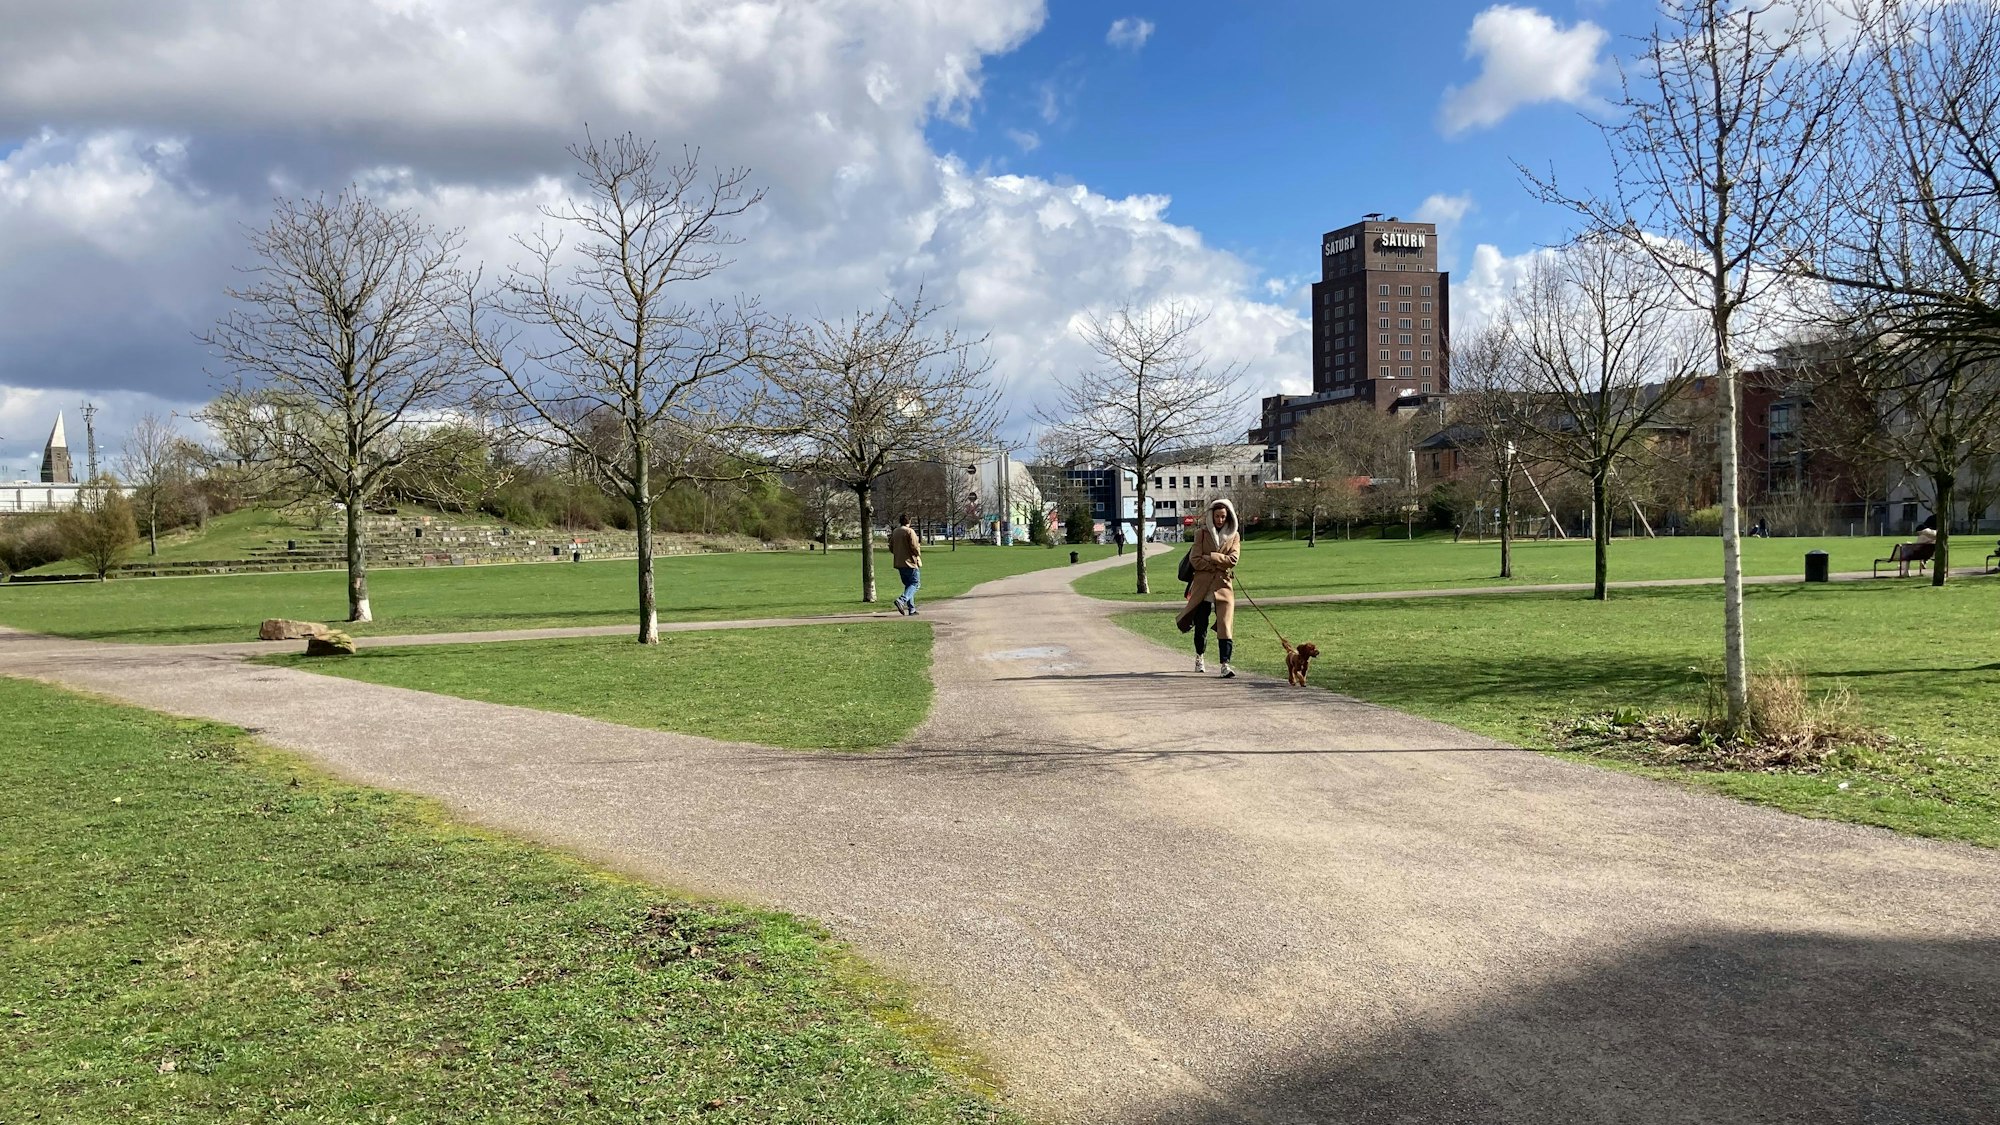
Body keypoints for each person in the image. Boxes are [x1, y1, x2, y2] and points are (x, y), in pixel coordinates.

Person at [1175, 498, 1241, 678]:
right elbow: (1195, 559)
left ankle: (1225, 664)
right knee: (1201, 624)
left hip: (1223, 586)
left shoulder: (1234, 535)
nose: (1220, 520)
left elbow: (1233, 560)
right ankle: (1200, 657)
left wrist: (1210, 557)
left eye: (1223, 516)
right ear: (1211, 516)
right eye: (1217, 516)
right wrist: (1217, 563)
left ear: (1228, 517)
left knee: (1225, 625)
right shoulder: (1201, 534)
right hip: (1202, 586)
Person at [889, 512, 922, 615]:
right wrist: (918, 554)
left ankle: (911, 609)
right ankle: (901, 600)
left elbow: (891, 546)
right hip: (910, 562)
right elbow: (914, 546)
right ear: (909, 521)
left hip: (899, 562)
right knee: (915, 584)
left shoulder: (895, 532)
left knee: (908, 585)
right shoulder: (909, 531)